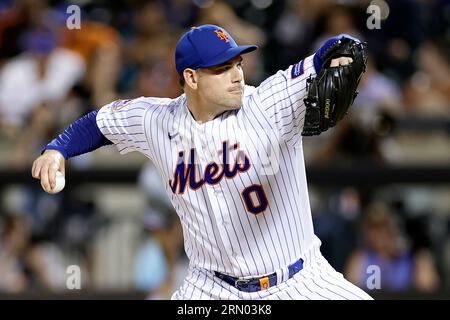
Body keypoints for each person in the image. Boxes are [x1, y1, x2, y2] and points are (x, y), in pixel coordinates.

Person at [32, 24, 372, 300]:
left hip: (299, 281)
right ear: (191, 78)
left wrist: (343, 52)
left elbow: (341, 45)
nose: (237, 75)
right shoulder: (158, 120)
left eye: (238, 64)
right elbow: (98, 123)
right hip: (212, 289)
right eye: (223, 69)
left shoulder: (267, 103)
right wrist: (56, 150)